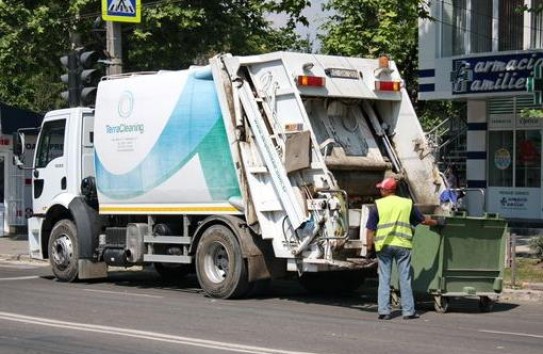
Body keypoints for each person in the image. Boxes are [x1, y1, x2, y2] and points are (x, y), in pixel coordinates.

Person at [365, 177, 440, 320]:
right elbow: (424, 220)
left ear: (386, 190)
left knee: (384, 279)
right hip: (403, 246)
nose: (380, 190)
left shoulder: (378, 205)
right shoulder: (407, 204)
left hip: (384, 246)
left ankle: (384, 311)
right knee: (405, 278)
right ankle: (408, 311)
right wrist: (437, 222)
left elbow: (370, 230)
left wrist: (369, 248)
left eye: (381, 188)